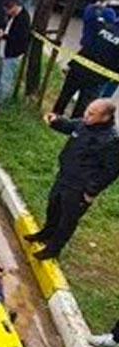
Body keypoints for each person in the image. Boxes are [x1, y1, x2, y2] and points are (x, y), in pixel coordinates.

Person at [25, 100, 119, 260]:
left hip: (80, 187)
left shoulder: (111, 141)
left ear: (105, 118)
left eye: (91, 114)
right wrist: (55, 120)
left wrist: (91, 191)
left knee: (67, 219)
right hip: (65, 176)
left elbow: (110, 171)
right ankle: (46, 233)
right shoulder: (84, 124)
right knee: (53, 206)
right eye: (87, 111)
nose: (86, 116)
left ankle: (53, 249)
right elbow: (69, 125)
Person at [54, 17, 119, 119]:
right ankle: (72, 128)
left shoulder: (104, 27)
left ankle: (54, 117)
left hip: (78, 67)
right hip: (96, 78)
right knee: (83, 105)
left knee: (65, 95)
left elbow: (86, 42)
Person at [0, 0, 30, 105]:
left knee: (5, 80)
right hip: (3, 51)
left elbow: (20, 39)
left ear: (14, 6)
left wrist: (4, 36)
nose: (6, 13)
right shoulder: (13, 16)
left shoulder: (23, 19)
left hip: (11, 54)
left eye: (8, 9)